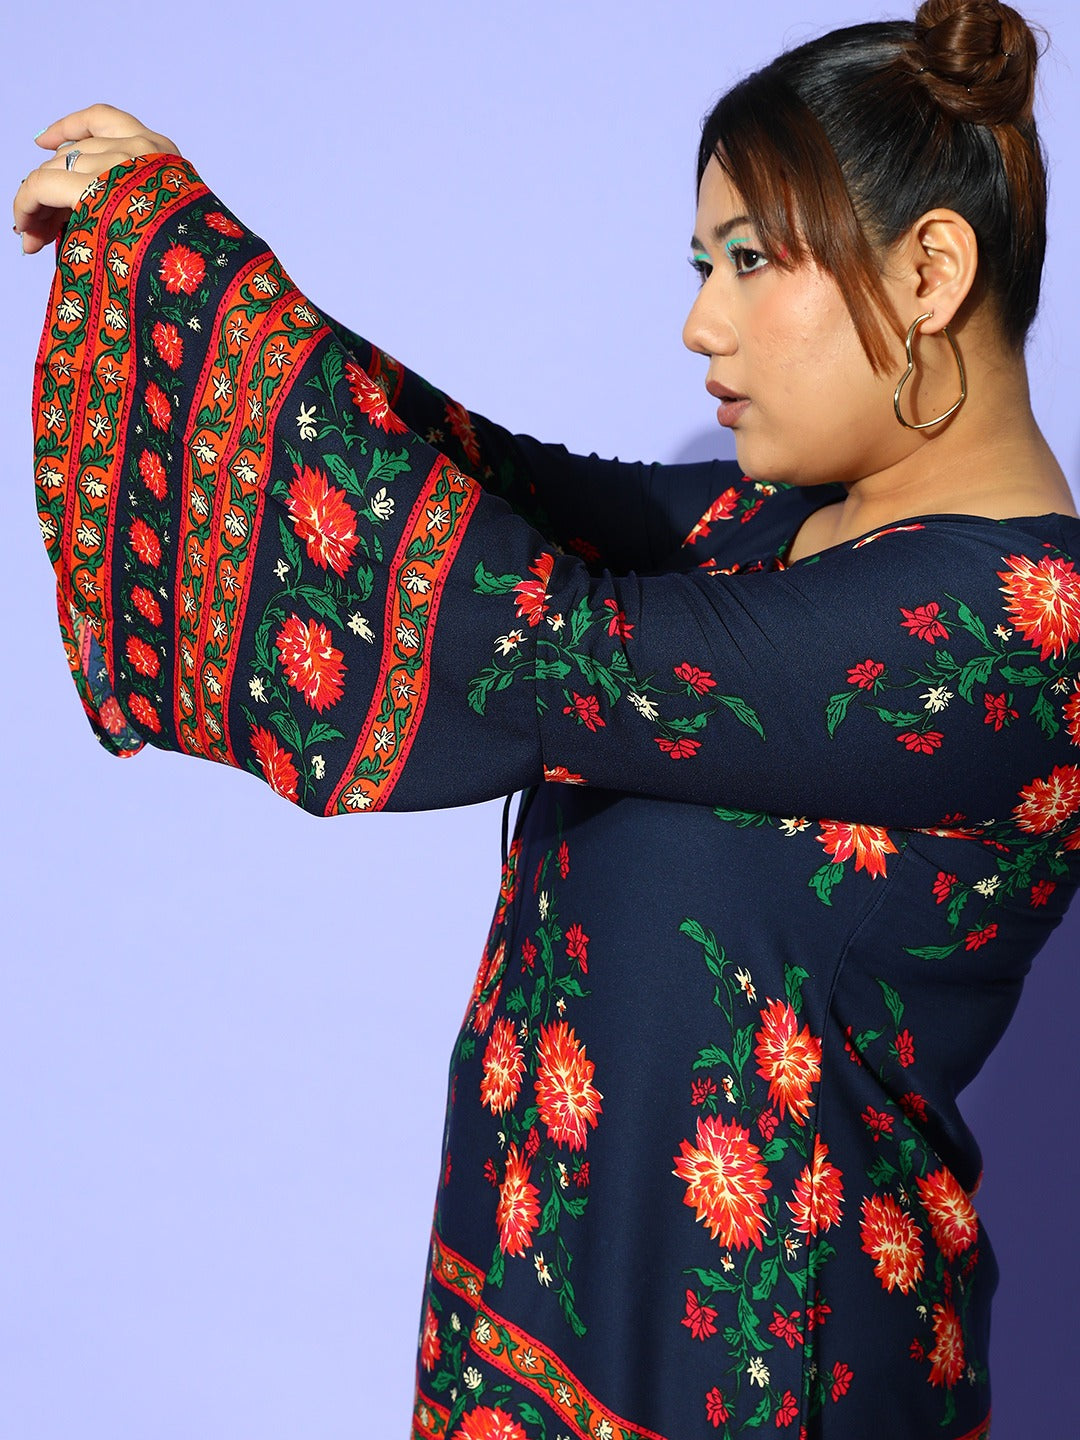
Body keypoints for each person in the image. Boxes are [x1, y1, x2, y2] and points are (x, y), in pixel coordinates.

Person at [13, 0, 1079, 1433]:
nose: (701, 323)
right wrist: (199, 269)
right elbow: (495, 479)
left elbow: (533, 641)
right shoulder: (779, 531)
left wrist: (196, 272)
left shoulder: (1015, 630)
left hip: (763, 1384)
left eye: (752, 260)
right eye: (702, 266)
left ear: (931, 269)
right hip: (540, 1332)